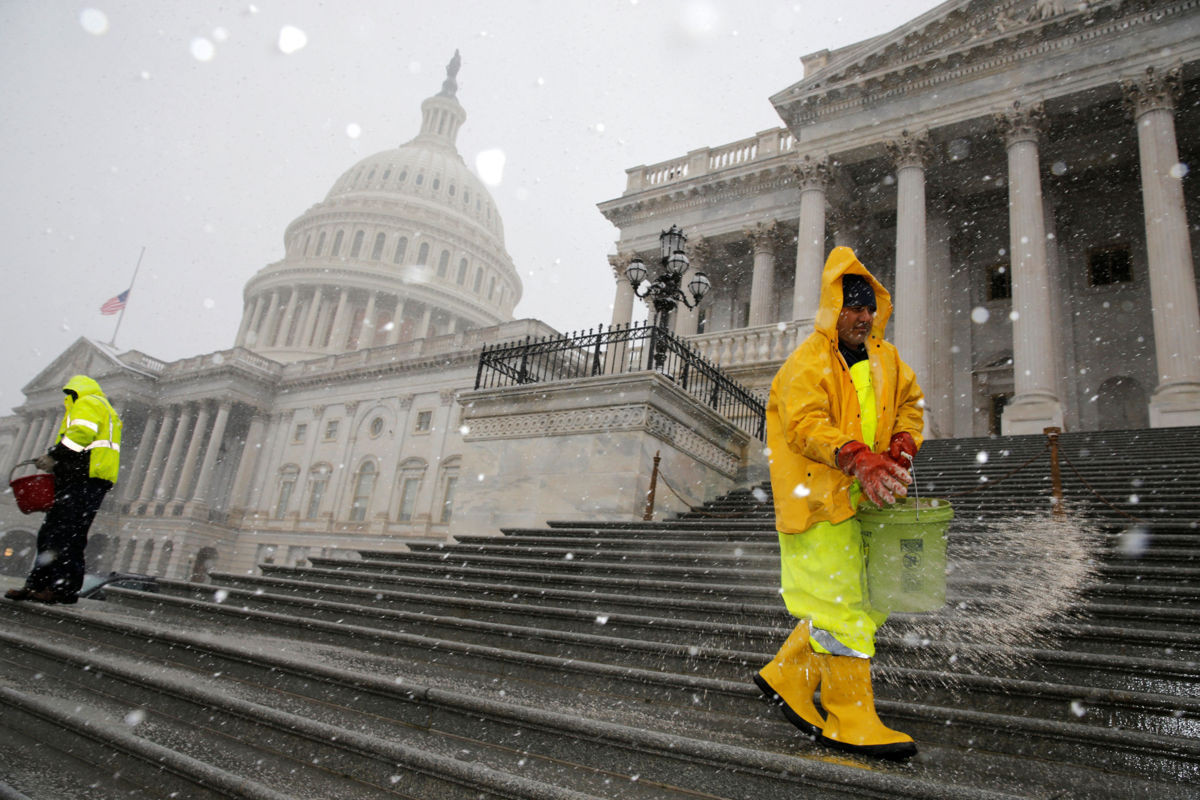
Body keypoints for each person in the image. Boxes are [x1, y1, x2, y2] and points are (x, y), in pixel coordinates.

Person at [754, 246, 924, 760]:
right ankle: (850, 718)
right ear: (833, 308)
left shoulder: (887, 359)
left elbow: (911, 407)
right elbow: (803, 423)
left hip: (868, 503)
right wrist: (856, 457)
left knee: (874, 598)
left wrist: (900, 446)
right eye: (853, 306)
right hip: (818, 502)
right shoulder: (808, 360)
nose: (863, 316)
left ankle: (789, 673)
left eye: (869, 308)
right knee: (839, 608)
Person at [5, 374, 122, 605]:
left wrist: (53, 455)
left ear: (75, 391)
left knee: (66, 536)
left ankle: (61, 589)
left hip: (85, 480)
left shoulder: (88, 403)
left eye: (68, 394)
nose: (66, 399)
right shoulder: (102, 407)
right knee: (52, 535)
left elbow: (80, 435)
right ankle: (37, 585)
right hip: (80, 478)